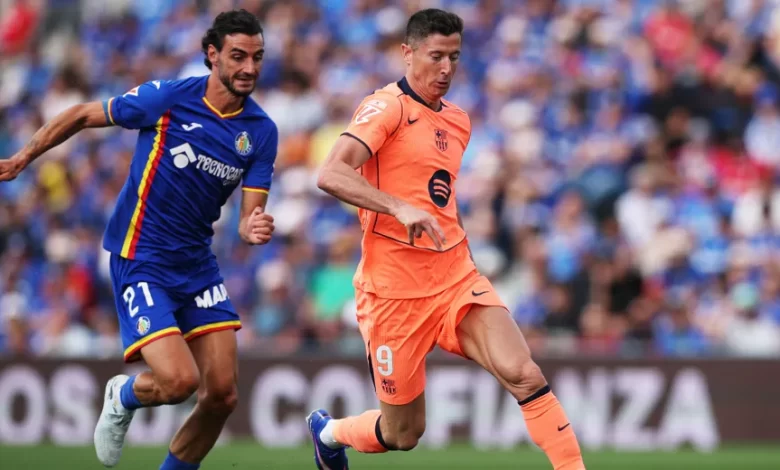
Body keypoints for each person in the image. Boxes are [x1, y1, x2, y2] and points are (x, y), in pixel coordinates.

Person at [309, 8, 586, 470]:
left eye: (454, 57)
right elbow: (330, 172)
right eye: (435, 56)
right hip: (394, 293)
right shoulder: (387, 107)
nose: (446, 68)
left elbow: (439, 198)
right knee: (402, 434)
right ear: (408, 53)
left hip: (455, 278)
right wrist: (397, 207)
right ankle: (329, 433)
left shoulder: (458, 121)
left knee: (524, 373)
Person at [0, 9, 278, 470]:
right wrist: (22, 158)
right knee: (179, 382)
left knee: (223, 395)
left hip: (197, 265)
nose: (249, 67)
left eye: (258, 57)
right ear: (212, 55)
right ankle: (124, 394)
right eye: (238, 56)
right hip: (141, 257)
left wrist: (252, 227)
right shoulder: (169, 98)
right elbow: (82, 114)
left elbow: (251, 213)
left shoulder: (261, 132)